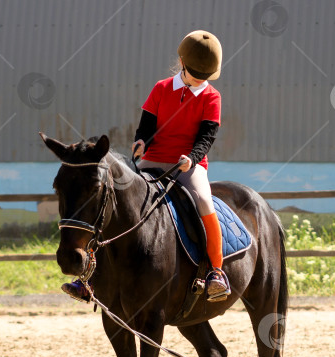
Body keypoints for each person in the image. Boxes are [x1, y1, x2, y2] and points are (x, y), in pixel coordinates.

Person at [63, 30, 230, 302]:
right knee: (114, 202)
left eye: (204, 76)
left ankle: (216, 271)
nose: (199, 80)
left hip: (189, 164)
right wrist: (141, 141)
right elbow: (147, 126)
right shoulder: (161, 88)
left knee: (203, 201)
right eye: (194, 74)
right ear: (182, 62)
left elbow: (207, 136)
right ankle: (91, 278)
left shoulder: (212, 97)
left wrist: (192, 157)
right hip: (153, 158)